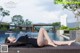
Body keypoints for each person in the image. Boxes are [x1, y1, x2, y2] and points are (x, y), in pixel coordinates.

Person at [5, 27, 75, 47]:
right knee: (42, 29)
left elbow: (29, 40)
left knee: (53, 40)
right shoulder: (17, 42)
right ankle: (50, 42)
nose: (11, 37)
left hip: (37, 41)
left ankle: (68, 42)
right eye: (10, 38)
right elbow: (6, 45)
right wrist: (8, 44)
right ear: (10, 41)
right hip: (37, 43)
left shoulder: (18, 40)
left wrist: (37, 37)